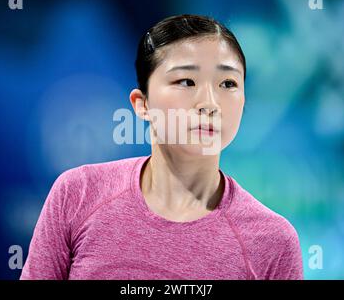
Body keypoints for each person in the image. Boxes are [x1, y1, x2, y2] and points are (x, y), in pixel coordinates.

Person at [20, 14, 304, 280]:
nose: (209, 102)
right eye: (186, 81)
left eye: (227, 83)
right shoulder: (77, 194)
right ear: (142, 104)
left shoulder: (273, 240)